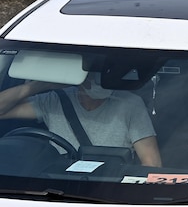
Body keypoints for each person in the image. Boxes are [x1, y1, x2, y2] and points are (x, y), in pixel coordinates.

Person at [0, 71, 162, 166]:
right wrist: (40, 85)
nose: (98, 81)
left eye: (103, 75)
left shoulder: (130, 103)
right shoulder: (55, 99)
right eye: (92, 75)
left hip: (110, 187)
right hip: (57, 186)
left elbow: (151, 162)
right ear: (79, 76)